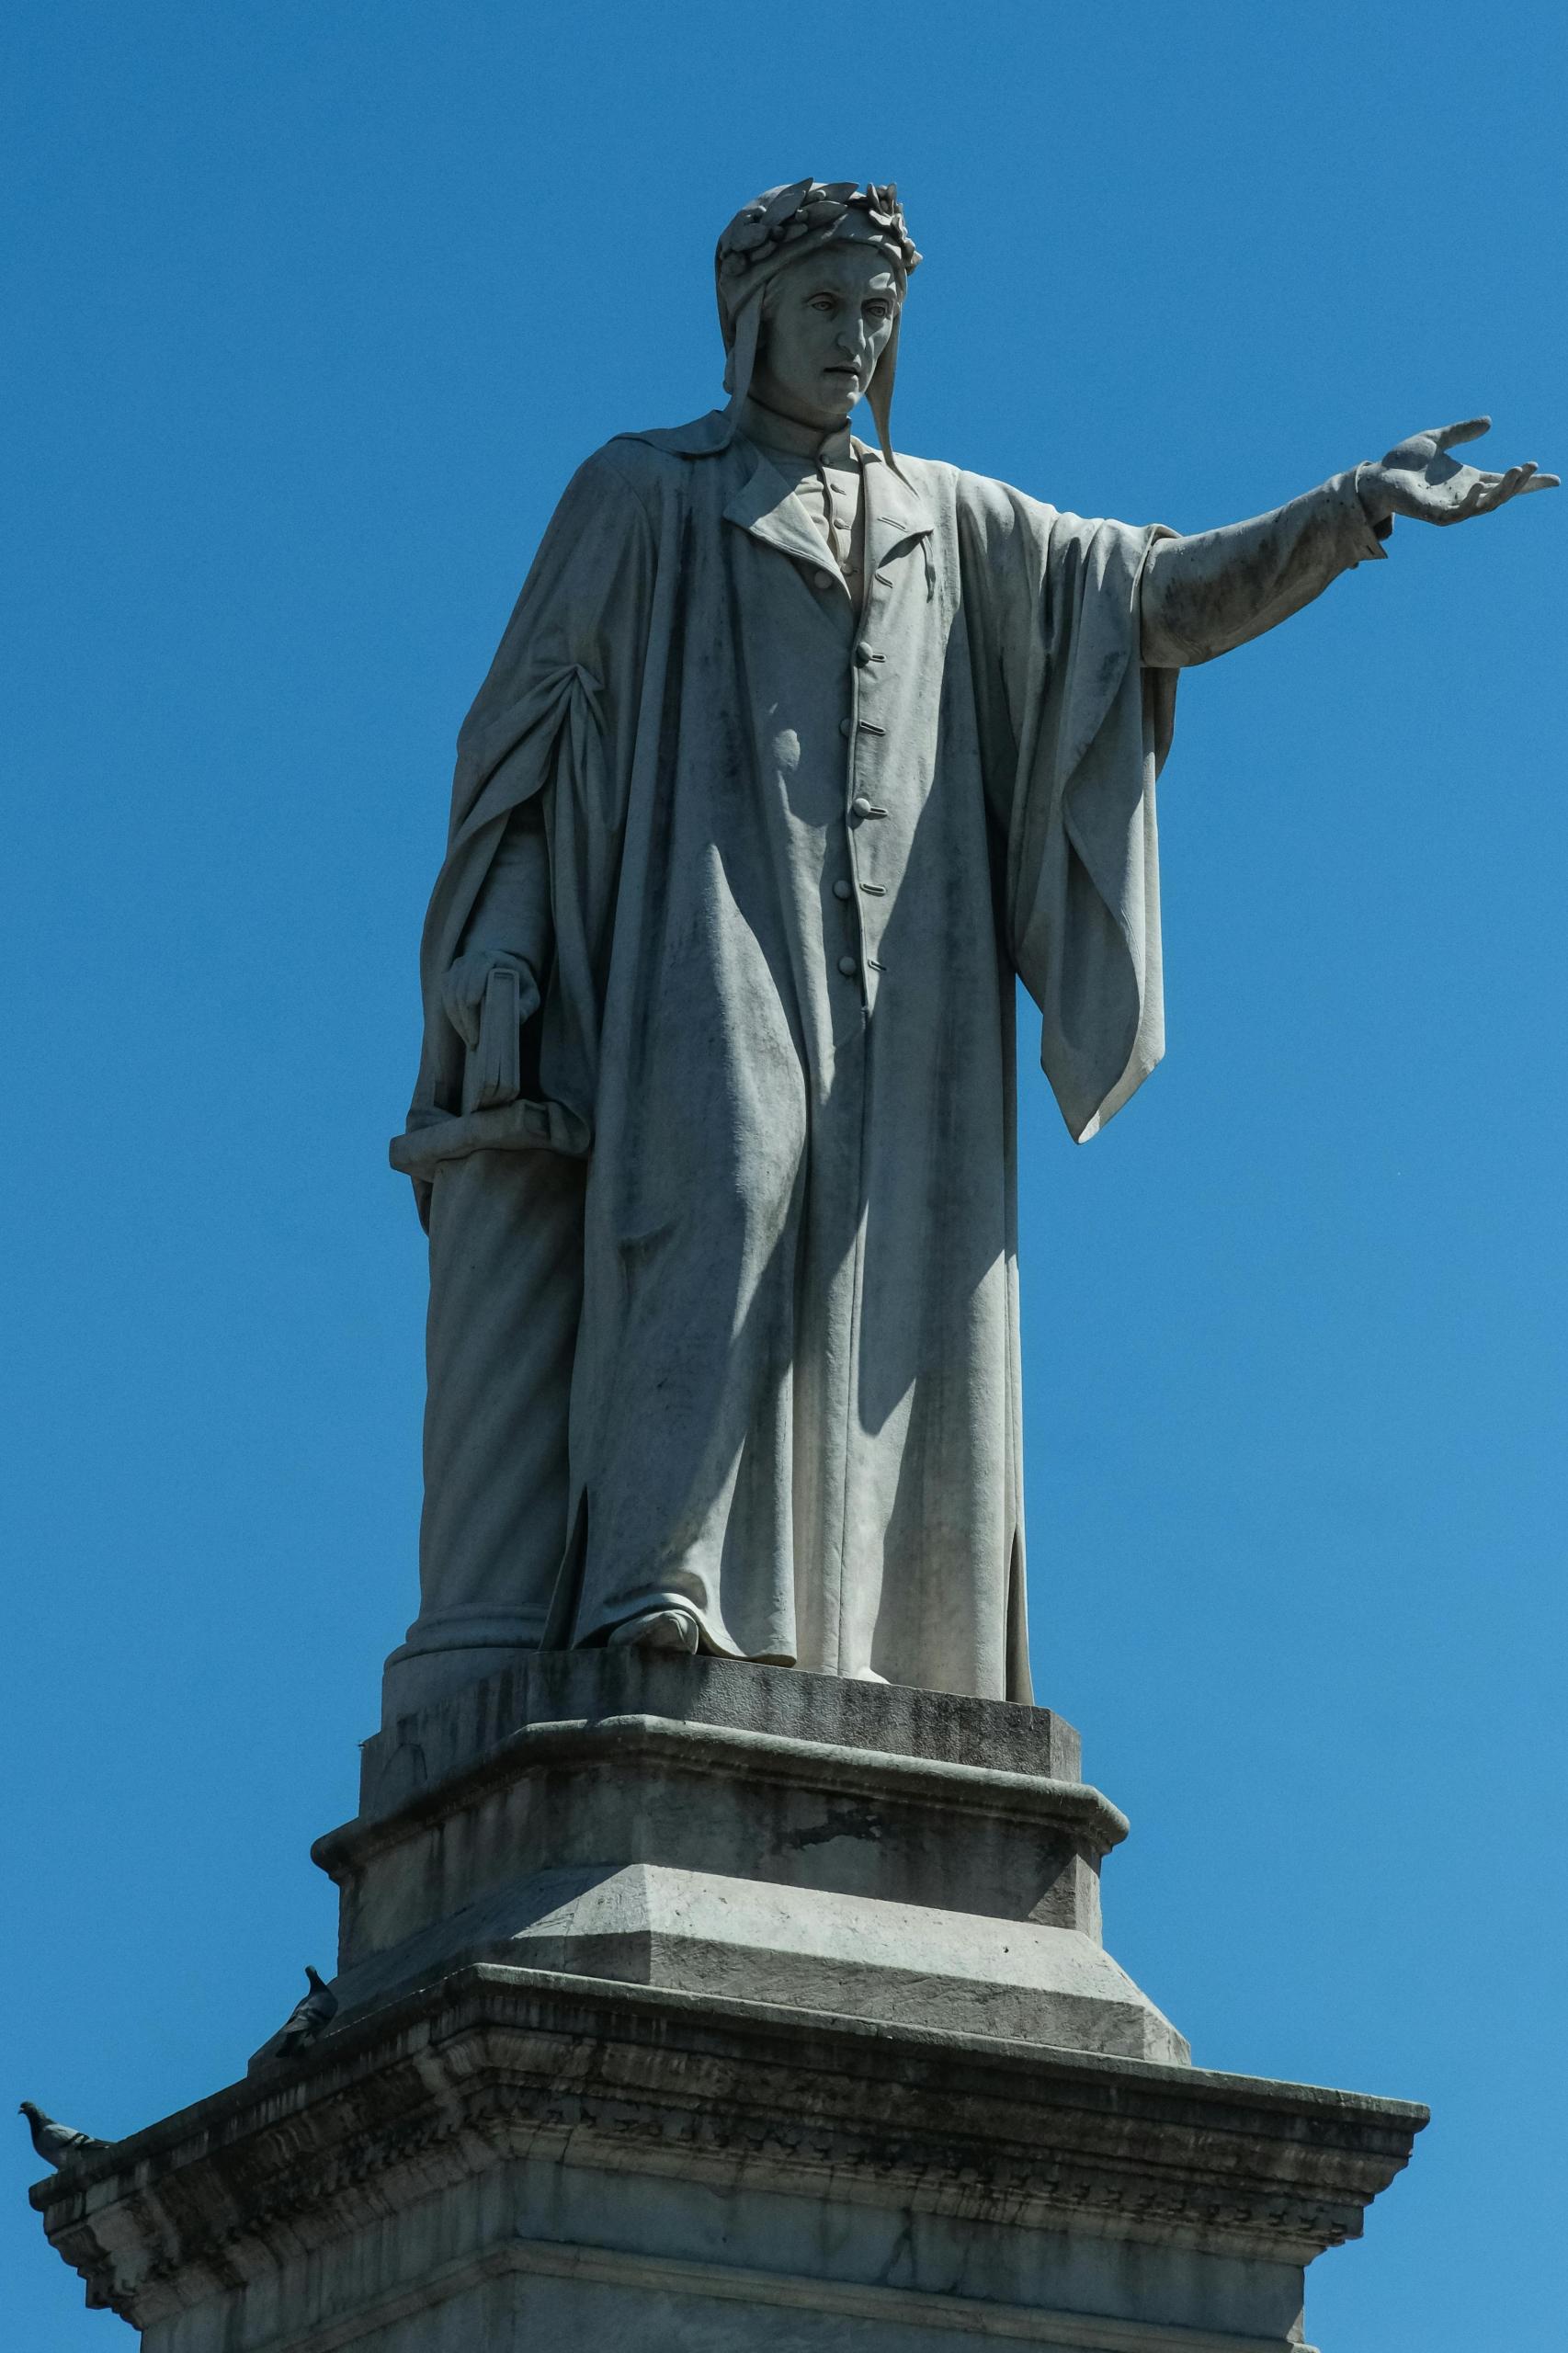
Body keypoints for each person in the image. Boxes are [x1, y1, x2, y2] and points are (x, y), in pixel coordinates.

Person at [387, 179, 1552, 1710]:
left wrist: (1344, 515)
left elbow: (1152, 597)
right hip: (704, 923)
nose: (856, 338)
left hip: (909, 970)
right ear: (749, 317)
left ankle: (885, 1645)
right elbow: (525, 751)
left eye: (877, 312)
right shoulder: (643, 491)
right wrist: (503, 943)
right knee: (723, 1189)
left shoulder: (953, 519)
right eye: (826, 305)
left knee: (901, 1272)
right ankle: (651, 1583)